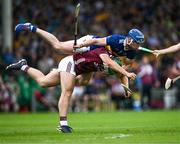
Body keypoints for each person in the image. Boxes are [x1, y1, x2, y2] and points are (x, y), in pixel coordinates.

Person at [6, 47, 136, 133]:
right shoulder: (106, 54)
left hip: (81, 70)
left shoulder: (117, 66)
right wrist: (126, 73)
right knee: (67, 91)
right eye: (126, 63)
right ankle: (63, 124)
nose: (125, 66)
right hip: (71, 63)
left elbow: (121, 75)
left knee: (43, 82)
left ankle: (23, 66)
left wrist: (126, 89)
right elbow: (118, 69)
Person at [15, 23, 145, 59]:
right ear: (129, 40)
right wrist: (81, 45)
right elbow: (95, 42)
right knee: (58, 47)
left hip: (97, 57)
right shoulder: (117, 39)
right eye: (137, 42)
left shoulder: (132, 53)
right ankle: (32, 28)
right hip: (90, 45)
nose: (138, 45)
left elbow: (127, 64)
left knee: (83, 81)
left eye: (139, 43)